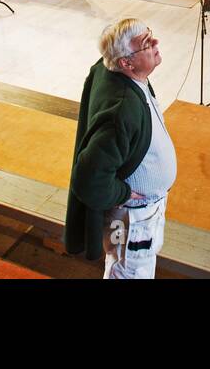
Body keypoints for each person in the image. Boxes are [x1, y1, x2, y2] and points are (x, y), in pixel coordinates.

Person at [65, 18, 177, 278]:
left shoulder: (120, 72)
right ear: (126, 63)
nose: (156, 43)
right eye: (147, 44)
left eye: (151, 35)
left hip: (142, 215)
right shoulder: (120, 111)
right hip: (132, 220)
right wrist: (123, 193)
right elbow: (88, 179)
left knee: (125, 266)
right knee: (128, 272)